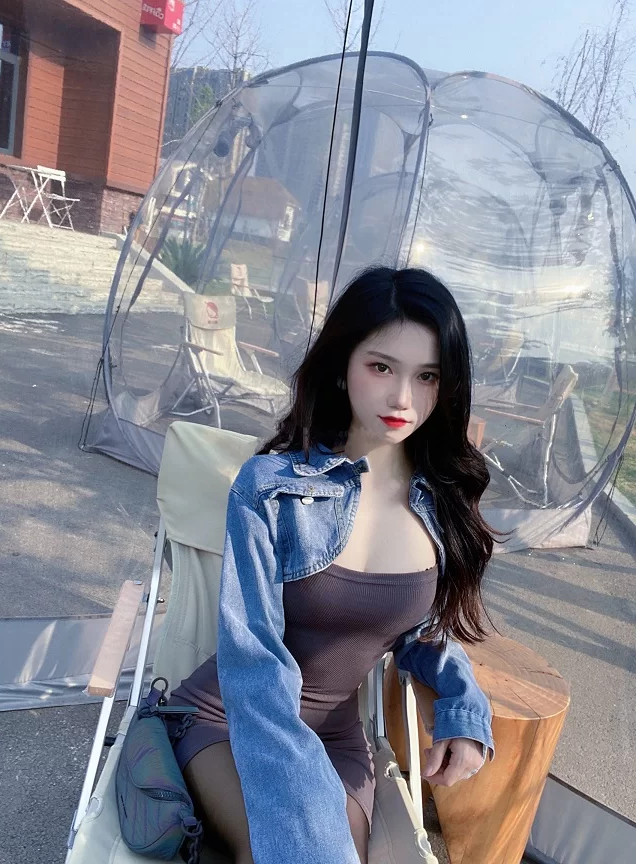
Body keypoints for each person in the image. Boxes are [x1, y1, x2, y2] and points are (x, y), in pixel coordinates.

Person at [168, 266, 498, 864]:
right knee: (290, 850)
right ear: (343, 367)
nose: (403, 398)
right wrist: (305, 803)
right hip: (232, 718)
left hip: (337, 736)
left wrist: (463, 705)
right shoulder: (270, 488)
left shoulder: (442, 500)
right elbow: (252, 654)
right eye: (382, 367)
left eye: (427, 376)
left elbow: (424, 630)